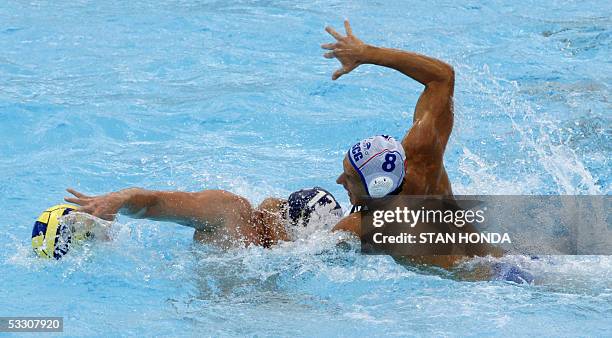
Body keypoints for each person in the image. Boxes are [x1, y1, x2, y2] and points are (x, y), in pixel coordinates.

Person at [322, 21, 501, 269]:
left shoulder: (361, 226)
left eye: (350, 177)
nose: (340, 180)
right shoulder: (422, 158)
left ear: (377, 187)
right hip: (502, 260)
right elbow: (442, 77)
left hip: (480, 282)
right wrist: (367, 54)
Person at [63, 187, 343, 249]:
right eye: (295, 239)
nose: (294, 246)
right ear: (285, 220)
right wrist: (121, 200)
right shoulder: (231, 213)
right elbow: (160, 204)